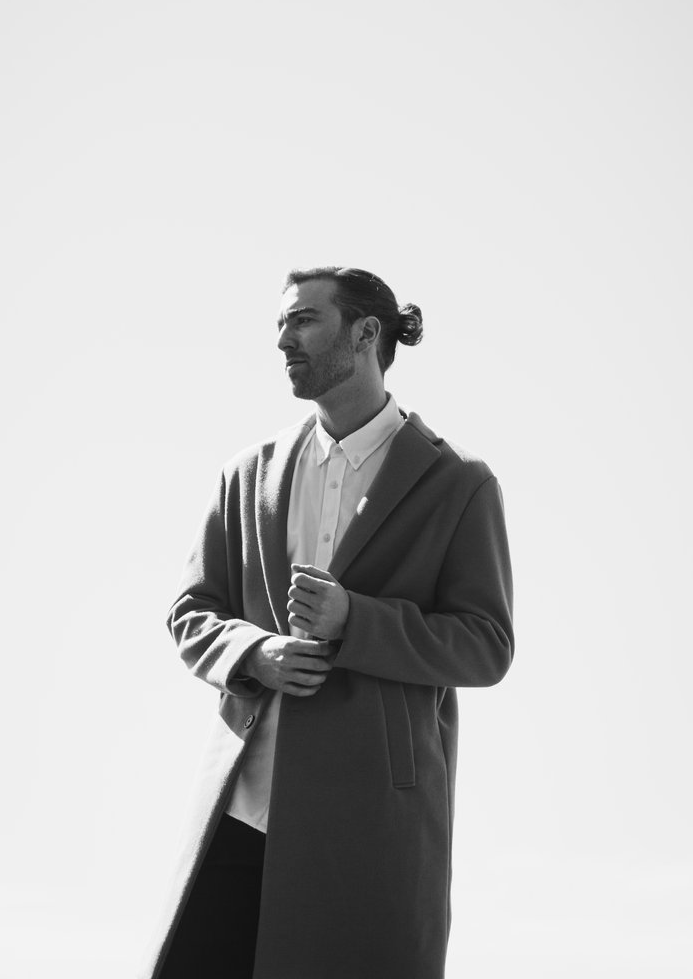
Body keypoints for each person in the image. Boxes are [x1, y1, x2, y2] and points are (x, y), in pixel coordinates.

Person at [144, 267, 514, 979]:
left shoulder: (460, 483)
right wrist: (254, 652)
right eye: (281, 323)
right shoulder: (247, 473)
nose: (284, 339)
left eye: (304, 320)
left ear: (367, 333)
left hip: (368, 828)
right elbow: (191, 611)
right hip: (239, 811)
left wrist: (355, 622)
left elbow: (486, 645)